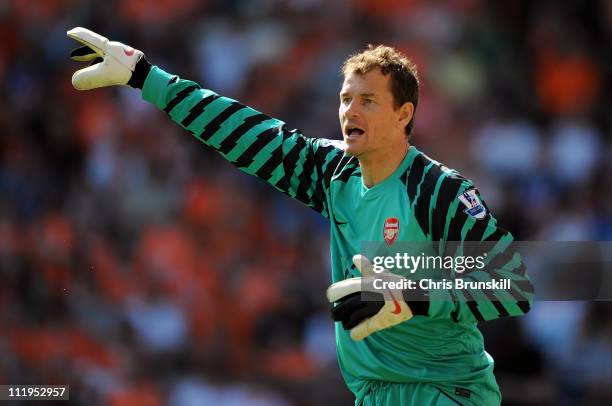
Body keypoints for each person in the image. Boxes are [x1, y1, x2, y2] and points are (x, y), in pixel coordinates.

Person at [67, 27, 534, 405]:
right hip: (373, 395)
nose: (350, 109)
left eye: (368, 100)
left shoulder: (437, 190)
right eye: (346, 98)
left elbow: (515, 283)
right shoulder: (334, 172)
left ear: (403, 114)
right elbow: (249, 135)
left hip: (446, 393)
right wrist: (147, 77)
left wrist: (409, 294)